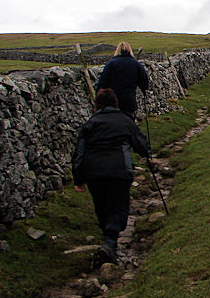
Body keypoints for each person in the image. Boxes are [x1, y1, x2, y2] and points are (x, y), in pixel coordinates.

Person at [71, 88, 151, 266]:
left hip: (94, 173)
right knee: (118, 209)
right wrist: (146, 151)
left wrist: (79, 178)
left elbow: (79, 153)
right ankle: (109, 243)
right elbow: (140, 144)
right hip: (119, 171)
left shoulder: (90, 123)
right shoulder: (124, 121)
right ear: (116, 103)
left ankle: (108, 245)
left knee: (102, 207)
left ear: (97, 105)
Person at [96, 41, 149, 120]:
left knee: (113, 124)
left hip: (112, 101)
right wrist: (144, 89)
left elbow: (102, 82)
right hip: (129, 100)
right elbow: (144, 82)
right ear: (129, 50)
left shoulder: (111, 63)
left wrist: (98, 97)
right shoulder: (136, 64)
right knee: (128, 123)